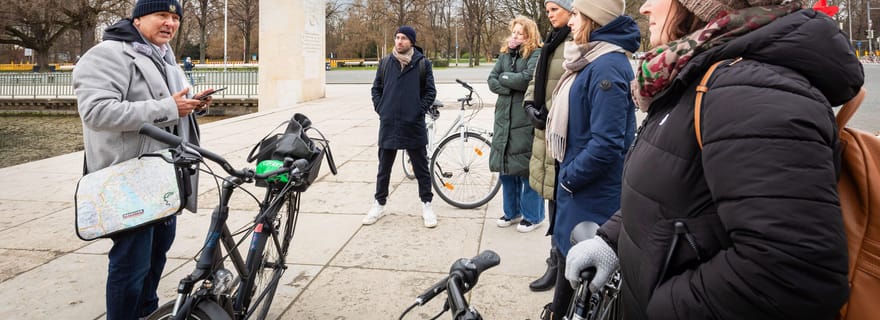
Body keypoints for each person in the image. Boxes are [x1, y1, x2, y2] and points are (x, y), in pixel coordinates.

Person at [565, 0, 863, 319]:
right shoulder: (702, 75)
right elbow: (676, 193)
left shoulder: (749, 90)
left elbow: (793, 274)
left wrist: (660, 308)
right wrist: (611, 241)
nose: (646, 8)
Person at [72, 0, 215, 318]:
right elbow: (96, 112)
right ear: (137, 20)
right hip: (129, 181)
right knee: (131, 265)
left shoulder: (166, 58)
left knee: (155, 257)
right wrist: (169, 107)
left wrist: (193, 106)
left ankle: (147, 314)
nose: (170, 23)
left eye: (175, 17)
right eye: (161, 15)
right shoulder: (106, 55)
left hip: (165, 178)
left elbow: (170, 109)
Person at [537, 0, 639, 318]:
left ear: (594, 19)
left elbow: (607, 144)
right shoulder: (593, 59)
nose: (571, 21)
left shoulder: (606, 65)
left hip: (591, 197)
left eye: (578, 15)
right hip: (581, 193)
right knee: (570, 274)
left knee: (582, 282)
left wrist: (568, 179)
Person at [522, 0, 573, 293]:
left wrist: (550, 113)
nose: (549, 14)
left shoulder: (575, 42)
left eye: (555, 8)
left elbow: (567, 86)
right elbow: (537, 80)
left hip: (559, 132)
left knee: (561, 204)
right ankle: (554, 260)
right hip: (544, 132)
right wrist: (530, 104)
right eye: (548, 9)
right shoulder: (552, 41)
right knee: (552, 203)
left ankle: (561, 264)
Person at [364, 25, 438, 228]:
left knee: (421, 168)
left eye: (404, 38)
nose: (399, 41)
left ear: (411, 41)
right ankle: (379, 203)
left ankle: (427, 204)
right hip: (388, 123)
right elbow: (376, 88)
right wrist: (381, 108)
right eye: (397, 37)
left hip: (413, 123)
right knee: (384, 168)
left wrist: (418, 110)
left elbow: (430, 92)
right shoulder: (386, 62)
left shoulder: (423, 64)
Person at [488, 16, 544, 233]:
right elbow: (491, 80)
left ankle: (534, 216)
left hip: (523, 118)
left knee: (526, 169)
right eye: (514, 32)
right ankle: (512, 212)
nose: (515, 36)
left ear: (529, 34)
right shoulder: (505, 53)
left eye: (520, 33)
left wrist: (505, 79)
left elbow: (527, 78)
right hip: (503, 119)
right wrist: (509, 81)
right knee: (506, 170)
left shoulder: (536, 53)